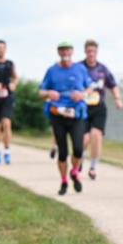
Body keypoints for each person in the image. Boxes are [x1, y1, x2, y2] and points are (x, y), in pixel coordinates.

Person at [39, 41, 90, 195]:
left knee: (78, 149)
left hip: (76, 114)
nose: (65, 52)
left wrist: (82, 94)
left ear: (72, 51)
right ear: (58, 52)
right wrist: (49, 93)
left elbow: (90, 88)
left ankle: (74, 171)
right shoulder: (52, 71)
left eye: (67, 49)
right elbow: (41, 92)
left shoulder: (80, 69)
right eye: (62, 50)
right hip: (58, 115)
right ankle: (64, 181)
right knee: (62, 152)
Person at [79, 39, 123, 180]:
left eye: (94, 51)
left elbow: (113, 85)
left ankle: (93, 167)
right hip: (82, 107)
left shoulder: (103, 69)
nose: (91, 54)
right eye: (89, 51)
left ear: (96, 52)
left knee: (96, 135)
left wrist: (117, 98)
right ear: (85, 52)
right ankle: (78, 157)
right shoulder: (79, 68)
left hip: (99, 107)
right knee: (84, 139)